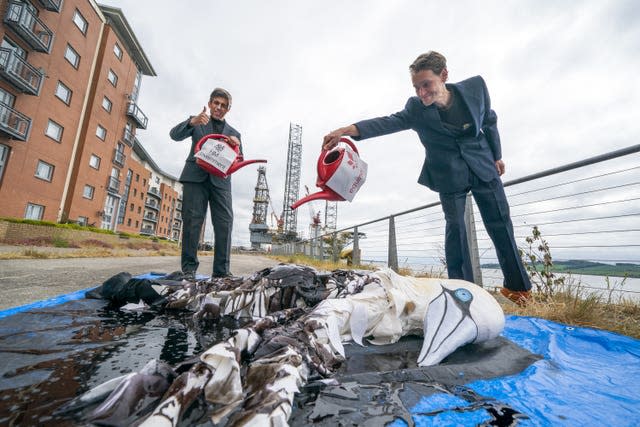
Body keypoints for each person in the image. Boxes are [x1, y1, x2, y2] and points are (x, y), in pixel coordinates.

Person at [323, 51, 532, 305]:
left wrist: (497, 156)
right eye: (416, 87)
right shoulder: (416, 110)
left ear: (443, 75)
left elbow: (489, 121)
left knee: (500, 222)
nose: (421, 93)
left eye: (426, 85)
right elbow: (387, 122)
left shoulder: (476, 89)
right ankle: (463, 293)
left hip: (483, 165)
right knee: (456, 229)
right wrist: (347, 130)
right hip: (448, 173)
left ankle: (518, 288)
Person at [170, 88, 241, 279]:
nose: (219, 107)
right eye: (216, 103)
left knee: (225, 224)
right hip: (196, 178)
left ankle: (222, 272)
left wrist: (236, 145)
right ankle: (189, 270)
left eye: (223, 105)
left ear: (228, 109)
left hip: (221, 183)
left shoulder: (235, 133)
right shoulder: (198, 121)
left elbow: (239, 160)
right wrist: (191, 122)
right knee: (192, 223)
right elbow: (174, 135)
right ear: (210, 104)